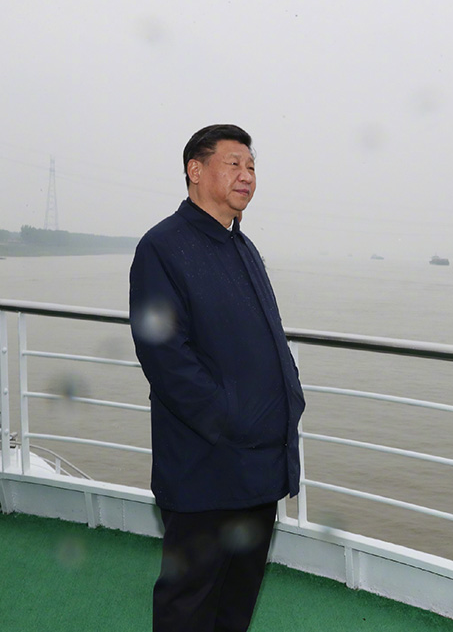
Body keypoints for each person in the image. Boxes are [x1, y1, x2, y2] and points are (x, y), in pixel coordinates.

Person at [129, 124, 305, 632]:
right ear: (195, 170)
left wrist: (288, 395)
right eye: (234, 164)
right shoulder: (163, 247)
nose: (247, 176)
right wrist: (229, 418)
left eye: (251, 167)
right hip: (205, 465)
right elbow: (164, 355)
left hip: (260, 464)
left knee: (237, 597)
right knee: (190, 601)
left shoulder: (242, 247)